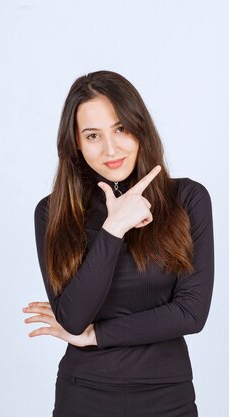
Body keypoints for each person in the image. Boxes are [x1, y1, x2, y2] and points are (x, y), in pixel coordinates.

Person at [22, 70, 214, 417]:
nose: (111, 148)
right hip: (84, 397)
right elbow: (74, 319)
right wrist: (113, 230)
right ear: (76, 144)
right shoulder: (52, 213)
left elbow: (190, 313)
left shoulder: (187, 199)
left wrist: (98, 336)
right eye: (93, 135)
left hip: (167, 397)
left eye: (121, 128)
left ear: (140, 127)